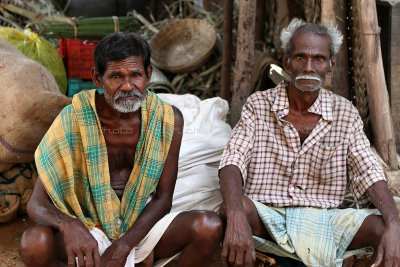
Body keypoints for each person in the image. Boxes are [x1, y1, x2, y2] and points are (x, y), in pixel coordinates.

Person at [19, 32, 222, 267]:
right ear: (97, 78)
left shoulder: (167, 119)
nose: (127, 86)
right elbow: (36, 203)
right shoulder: (74, 118)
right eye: (116, 76)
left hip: (141, 227)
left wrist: (123, 247)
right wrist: (70, 225)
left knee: (209, 227)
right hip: (88, 226)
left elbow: (163, 199)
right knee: (34, 244)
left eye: (135, 75)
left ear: (148, 74)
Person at [218, 18, 400, 267]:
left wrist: (393, 222)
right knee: (231, 212)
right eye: (300, 57)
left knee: (386, 230)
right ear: (286, 61)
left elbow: (368, 171)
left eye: (319, 59)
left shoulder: (345, 113)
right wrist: (236, 213)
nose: (309, 67)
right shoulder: (259, 105)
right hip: (269, 216)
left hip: (325, 221)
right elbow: (232, 160)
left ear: (331, 65)